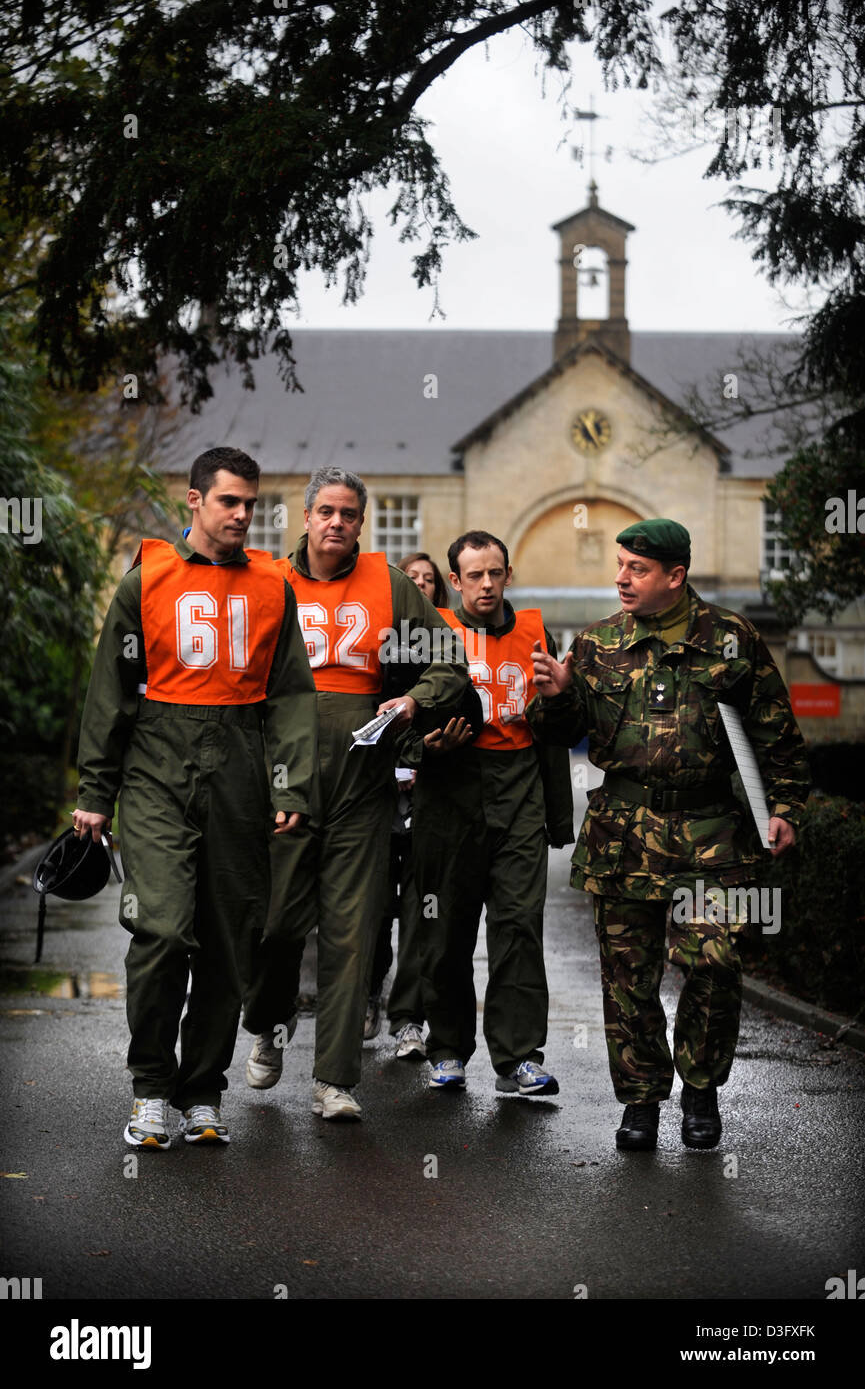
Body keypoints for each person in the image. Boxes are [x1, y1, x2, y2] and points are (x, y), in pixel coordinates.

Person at [528, 519, 810, 1151]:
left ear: (675, 576)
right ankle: (642, 1101)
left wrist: (786, 805)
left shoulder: (731, 638)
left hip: (710, 836)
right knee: (628, 974)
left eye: (637, 569)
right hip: (622, 834)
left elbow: (776, 732)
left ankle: (701, 1089)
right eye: (620, 564)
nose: (621, 578)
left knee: (715, 964)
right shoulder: (597, 643)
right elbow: (559, 732)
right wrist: (553, 696)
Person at [73, 447, 317, 1149]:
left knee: (227, 941)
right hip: (157, 764)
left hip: (240, 770)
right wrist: (96, 790)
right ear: (194, 501)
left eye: (249, 503)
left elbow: (293, 695)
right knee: (161, 929)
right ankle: (151, 1087)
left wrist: (290, 782)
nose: (242, 514)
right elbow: (109, 692)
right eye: (228, 502)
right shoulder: (145, 579)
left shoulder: (275, 586)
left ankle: (202, 1090)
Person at [242, 468, 469, 1120]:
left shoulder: (389, 584)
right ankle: (265, 1021)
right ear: (305, 518)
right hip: (285, 779)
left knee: (353, 932)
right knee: (280, 924)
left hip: (361, 786)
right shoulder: (269, 583)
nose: (337, 522)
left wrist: (411, 700)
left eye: (349, 513)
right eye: (326, 511)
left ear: (359, 523)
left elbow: (448, 662)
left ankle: (334, 1079)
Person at [405, 530, 574, 1096]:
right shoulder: (435, 634)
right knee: (447, 926)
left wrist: (558, 814)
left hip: (518, 787)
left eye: (494, 573)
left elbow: (555, 725)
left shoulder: (534, 631)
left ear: (507, 575)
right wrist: (428, 746)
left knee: (519, 925)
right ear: (454, 581)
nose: (485, 584)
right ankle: (447, 1047)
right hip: (451, 792)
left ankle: (519, 1056)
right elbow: (402, 717)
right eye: (473, 575)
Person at [364, 552, 450, 1059]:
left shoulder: (444, 653)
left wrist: (424, 761)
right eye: (409, 579)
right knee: (372, 911)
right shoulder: (372, 645)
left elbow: (459, 714)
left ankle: (409, 1020)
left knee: (421, 914)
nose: (418, 586)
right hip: (376, 801)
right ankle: (369, 993)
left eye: (427, 581)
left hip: (428, 802)